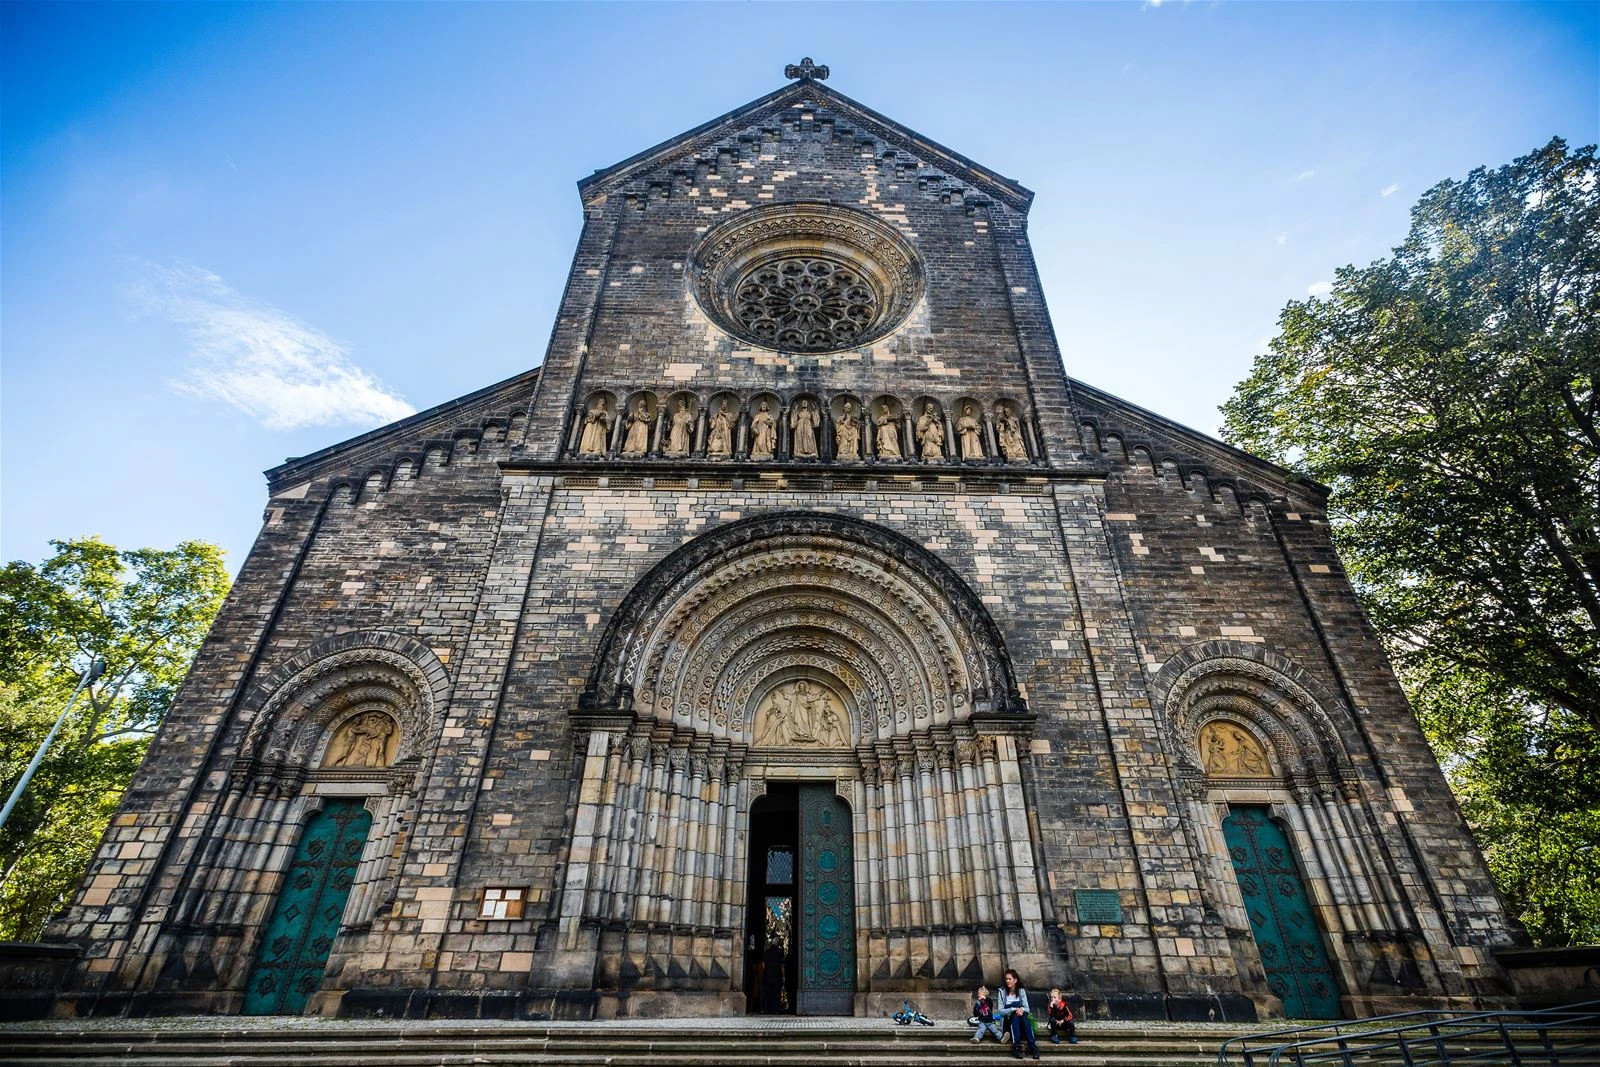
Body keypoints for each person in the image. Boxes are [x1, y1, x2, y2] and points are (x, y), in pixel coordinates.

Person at [998, 967, 1040, 1060]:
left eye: (1010, 979)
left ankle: (1033, 1047)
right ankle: (1017, 1047)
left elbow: (1027, 1008)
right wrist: (1013, 1009)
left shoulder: (1021, 990)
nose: (1008, 981)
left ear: (1015, 980)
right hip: (1008, 1021)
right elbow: (1000, 1011)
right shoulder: (1002, 991)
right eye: (1006, 979)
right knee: (1015, 1016)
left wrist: (1021, 1009)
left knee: (1023, 1016)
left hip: (1021, 1019)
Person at [760, 939, 786, 1013]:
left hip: (767, 976)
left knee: (767, 993)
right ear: (777, 944)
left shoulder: (767, 952)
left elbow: (763, 965)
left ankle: (766, 1009)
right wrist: (783, 976)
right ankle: (776, 1010)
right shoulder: (780, 952)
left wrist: (764, 973)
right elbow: (782, 966)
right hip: (777, 976)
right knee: (776, 994)